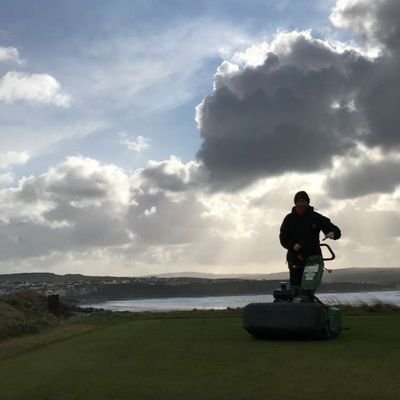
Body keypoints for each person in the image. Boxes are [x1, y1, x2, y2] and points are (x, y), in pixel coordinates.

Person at [279, 191, 341, 288]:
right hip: (295, 258)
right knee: (296, 287)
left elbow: (335, 230)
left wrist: (332, 233)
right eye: (298, 202)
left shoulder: (316, 217)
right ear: (295, 203)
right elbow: (283, 238)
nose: (300, 204)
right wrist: (293, 245)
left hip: (313, 258)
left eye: (303, 201)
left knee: (309, 287)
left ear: (307, 203)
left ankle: (308, 299)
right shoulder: (289, 219)